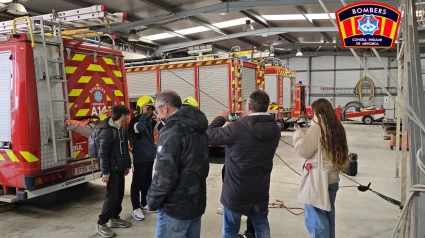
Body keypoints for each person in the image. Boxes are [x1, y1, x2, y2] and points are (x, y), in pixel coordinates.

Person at [207, 90, 281, 238]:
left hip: (236, 189)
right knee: (261, 225)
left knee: (230, 229)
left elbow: (208, 135)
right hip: (260, 188)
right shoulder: (275, 128)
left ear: (248, 106)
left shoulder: (238, 127)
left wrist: (220, 118)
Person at [147, 90, 210, 238]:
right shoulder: (199, 127)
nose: (158, 115)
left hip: (175, 207)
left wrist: (152, 200)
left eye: (157, 110)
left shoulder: (171, 131)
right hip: (196, 203)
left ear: (165, 107)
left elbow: (164, 175)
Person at [293, 98, 349, 238]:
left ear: (317, 112)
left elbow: (303, 151)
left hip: (318, 181)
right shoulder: (337, 127)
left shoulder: (317, 127)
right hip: (333, 179)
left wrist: (298, 137)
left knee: (317, 222)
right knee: (328, 217)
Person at [96, 104, 132, 238]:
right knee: (111, 197)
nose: (129, 117)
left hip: (120, 168)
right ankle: (102, 223)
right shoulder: (107, 131)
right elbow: (103, 154)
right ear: (123, 116)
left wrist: (127, 165)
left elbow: (125, 149)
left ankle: (115, 218)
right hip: (111, 169)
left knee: (119, 194)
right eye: (128, 114)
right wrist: (105, 172)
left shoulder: (121, 130)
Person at [126, 96, 159, 221]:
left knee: (147, 183)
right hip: (140, 158)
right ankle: (136, 208)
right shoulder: (134, 122)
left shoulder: (150, 121)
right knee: (137, 184)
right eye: (147, 108)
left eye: (151, 109)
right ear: (141, 108)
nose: (149, 111)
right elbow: (138, 129)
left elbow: (160, 127)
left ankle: (144, 203)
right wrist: (144, 114)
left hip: (150, 157)